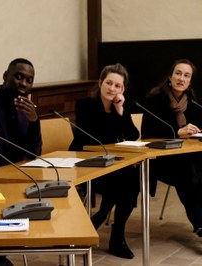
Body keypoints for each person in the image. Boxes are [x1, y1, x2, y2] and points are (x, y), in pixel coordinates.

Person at [69, 63, 140, 259]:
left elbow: (133, 136)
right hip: (85, 164)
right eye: (109, 83)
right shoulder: (84, 105)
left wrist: (120, 110)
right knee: (124, 179)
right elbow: (97, 137)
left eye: (117, 86)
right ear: (100, 83)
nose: (112, 88)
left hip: (111, 165)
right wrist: (116, 120)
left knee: (132, 177)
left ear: (122, 89)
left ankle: (114, 232)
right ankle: (105, 225)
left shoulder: (121, 107)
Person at [141, 58, 202, 237]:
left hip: (186, 158)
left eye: (186, 75)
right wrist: (178, 131)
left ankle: (200, 223)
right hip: (162, 160)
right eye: (178, 73)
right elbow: (148, 132)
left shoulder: (191, 102)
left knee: (194, 176)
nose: (181, 78)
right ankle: (199, 223)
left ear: (190, 81)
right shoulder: (155, 99)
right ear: (170, 77)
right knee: (189, 177)